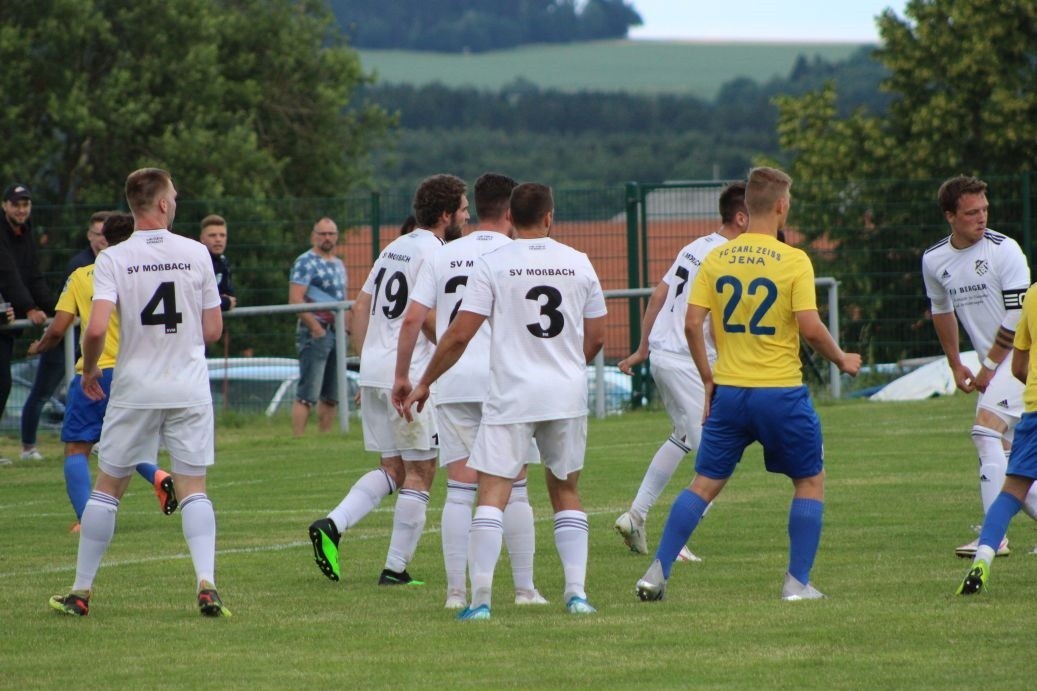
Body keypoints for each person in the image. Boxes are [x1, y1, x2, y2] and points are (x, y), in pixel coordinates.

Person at [634, 166, 861, 603]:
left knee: (703, 483)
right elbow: (810, 328)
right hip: (780, 392)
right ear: (780, 206)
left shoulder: (717, 257)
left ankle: (656, 573)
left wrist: (707, 377)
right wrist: (842, 358)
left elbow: (692, 323)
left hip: (730, 393)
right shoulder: (794, 259)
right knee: (809, 480)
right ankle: (796, 584)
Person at [402, 182, 607, 620]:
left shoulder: (494, 264)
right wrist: (570, 367)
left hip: (512, 393)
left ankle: (478, 601)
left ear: (511, 217)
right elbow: (598, 336)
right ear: (550, 217)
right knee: (565, 490)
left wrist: (424, 382)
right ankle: (576, 594)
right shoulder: (579, 262)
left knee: (492, 492)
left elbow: (459, 333)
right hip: (565, 394)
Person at [48, 168, 229, 617]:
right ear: (164, 204)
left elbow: (93, 328)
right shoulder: (197, 252)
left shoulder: (113, 258)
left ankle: (81, 591)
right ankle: (206, 582)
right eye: (174, 196)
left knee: (108, 487)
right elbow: (212, 330)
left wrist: (90, 371)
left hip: (134, 387)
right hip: (187, 385)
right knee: (193, 487)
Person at [392, 172, 547, 609]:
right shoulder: (518, 254)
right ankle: (523, 589)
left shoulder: (445, 254)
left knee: (459, 487)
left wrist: (406, 377)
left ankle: (456, 593)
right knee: (515, 485)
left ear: (475, 209)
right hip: (507, 380)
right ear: (513, 211)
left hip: (455, 379)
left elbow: (413, 317)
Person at [307, 174, 468, 586]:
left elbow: (359, 308)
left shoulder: (394, 247)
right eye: (464, 210)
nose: (467, 218)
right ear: (446, 214)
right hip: (408, 375)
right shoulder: (438, 252)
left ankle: (333, 525)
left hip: (377, 371)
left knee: (393, 468)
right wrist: (444, 356)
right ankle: (395, 569)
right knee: (421, 471)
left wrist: (367, 365)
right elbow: (427, 319)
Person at [614, 181, 749, 561]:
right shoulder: (730, 258)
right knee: (717, 459)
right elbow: (713, 320)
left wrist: (643, 348)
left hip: (663, 356)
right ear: (741, 218)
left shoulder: (695, 246)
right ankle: (677, 538)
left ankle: (636, 515)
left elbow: (659, 295)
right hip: (690, 362)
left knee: (682, 438)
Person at [28, 214, 177, 532]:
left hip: (99, 371)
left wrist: (39, 346)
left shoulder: (83, 276)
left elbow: (58, 328)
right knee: (125, 442)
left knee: (76, 447)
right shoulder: (148, 273)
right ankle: (158, 476)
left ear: (103, 240)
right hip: (142, 371)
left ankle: (87, 518)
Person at [921, 175, 1037, 558]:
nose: (982, 218)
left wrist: (987, 366)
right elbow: (941, 311)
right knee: (1009, 456)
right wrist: (956, 364)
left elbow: (1018, 316)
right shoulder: (935, 259)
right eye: (972, 212)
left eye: (985, 210)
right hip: (993, 363)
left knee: (985, 433)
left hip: (1023, 358)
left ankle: (994, 538)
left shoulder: (1005, 250)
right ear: (950, 216)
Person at [957, 279, 1037, 594]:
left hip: (1033, 408)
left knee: (1009, 494)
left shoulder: (1032, 294)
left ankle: (983, 559)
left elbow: (1019, 366)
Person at [20, 211, 114, 462]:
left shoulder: (110, 267)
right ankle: (28, 446)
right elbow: (63, 320)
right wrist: (45, 343)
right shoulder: (80, 267)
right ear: (89, 236)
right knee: (42, 391)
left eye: (106, 234)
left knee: (76, 446)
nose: (102, 239)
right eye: (97, 234)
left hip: (97, 355)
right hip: (77, 346)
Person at [0, 182, 53, 465]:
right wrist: (29, 307)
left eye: (25, 204)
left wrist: (59, 308)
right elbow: (7, 273)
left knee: (3, 383)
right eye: (16, 204)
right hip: (6, 315)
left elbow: (33, 275)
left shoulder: (25, 232)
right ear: (5, 205)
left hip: (7, 323)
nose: (21, 209)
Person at [288, 217, 347, 436]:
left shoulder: (339, 263)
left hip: (337, 332)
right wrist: (315, 327)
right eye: (322, 234)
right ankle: (298, 439)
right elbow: (295, 299)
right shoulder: (305, 262)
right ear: (314, 236)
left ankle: (325, 437)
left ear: (336, 236)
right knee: (308, 391)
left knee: (332, 393)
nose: (327, 238)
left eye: (331, 233)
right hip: (315, 332)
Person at [199, 214, 237, 311]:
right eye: (212, 235)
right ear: (202, 238)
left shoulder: (224, 262)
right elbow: (197, 300)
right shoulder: (196, 262)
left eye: (222, 235)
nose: (218, 239)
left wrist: (223, 301)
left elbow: (231, 297)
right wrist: (223, 302)